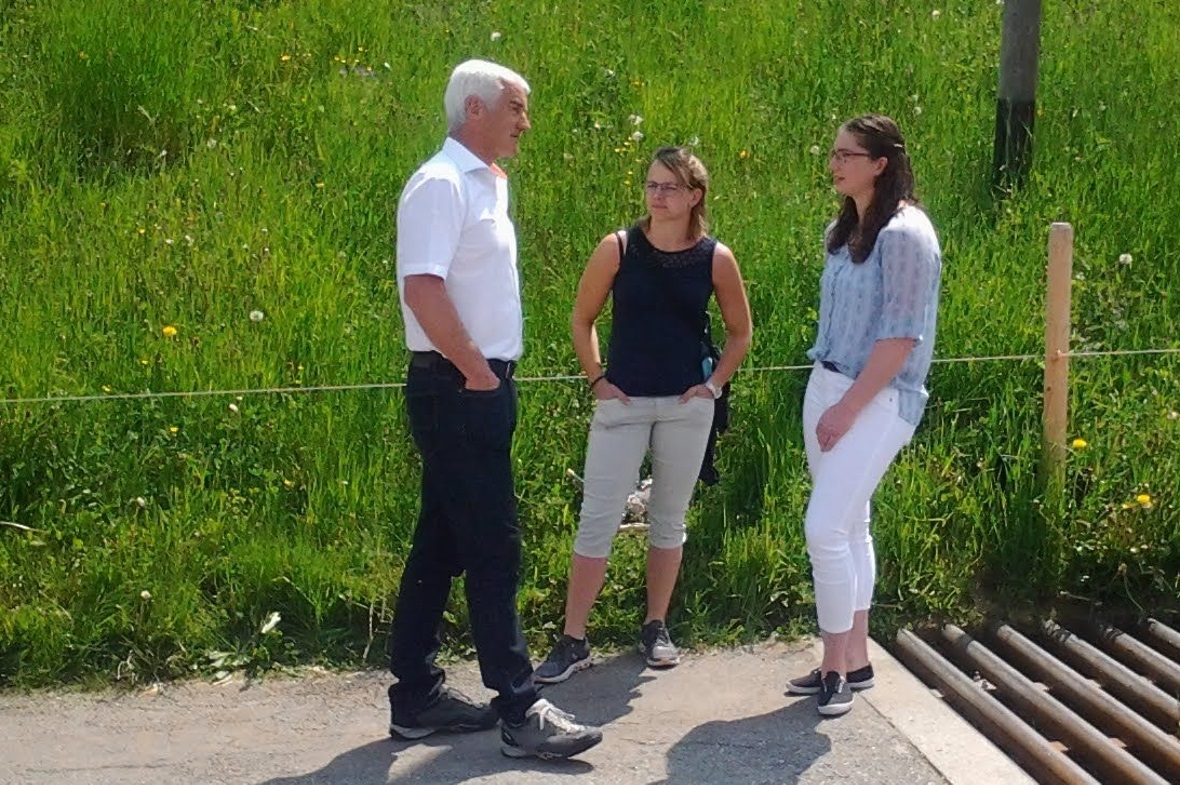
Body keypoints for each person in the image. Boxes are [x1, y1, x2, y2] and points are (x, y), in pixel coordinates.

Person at [389, 59, 602, 760]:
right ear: (475, 108)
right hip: (459, 387)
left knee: (442, 540)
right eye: (516, 107)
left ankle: (415, 696)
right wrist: (477, 372)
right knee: (493, 545)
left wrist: (486, 376)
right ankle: (519, 707)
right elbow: (422, 288)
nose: (526, 122)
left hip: (474, 386)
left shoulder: (485, 183)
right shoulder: (442, 183)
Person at [534, 147, 752, 684]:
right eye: (652, 185)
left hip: (685, 407)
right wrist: (597, 381)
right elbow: (582, 318)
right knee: (598, 518)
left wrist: (712, 387)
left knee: (669, 519)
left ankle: (655, 626)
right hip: (623, 404)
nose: (657, 195)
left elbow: (740, 332)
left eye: (670, 187)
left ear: (695, 196)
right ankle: (573, 638)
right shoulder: (618, 247)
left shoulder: (716, 258)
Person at [786, 114, 942, 716]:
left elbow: (901, 337)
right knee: (850, 525)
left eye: (847, 155)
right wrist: (829, 399)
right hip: (827, 382)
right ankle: (854, 658)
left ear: (880, 164)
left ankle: (833, 668)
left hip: (878, 397)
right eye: (834, 153)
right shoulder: (844, 228)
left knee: (824, 528)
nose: (835, 164)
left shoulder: (906, 233)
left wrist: (847, 409)